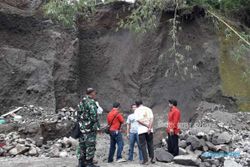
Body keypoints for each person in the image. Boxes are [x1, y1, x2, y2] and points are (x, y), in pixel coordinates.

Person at [77, 88, 100, 167]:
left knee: (81, 145)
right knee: (90, 145)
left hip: (81, 128)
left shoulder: (81, 102)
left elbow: (77, 114)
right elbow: (94, 116)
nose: (95, 94)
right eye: (95, 93)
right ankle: (89, 163)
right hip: (90, 128)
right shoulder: (91, 102)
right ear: (92, 93)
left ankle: (81, 163)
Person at [134, 100, 155, 165]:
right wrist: (149, 127)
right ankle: (152, 158)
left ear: (136, 104)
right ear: (142, 103)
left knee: (143, 145)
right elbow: (151, 119)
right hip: (150, 130)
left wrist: (146, 126)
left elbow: (138, 120)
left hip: (141, 130)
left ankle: (145, 160)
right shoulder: (149, 109)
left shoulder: (136, 110)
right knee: (150, 144)